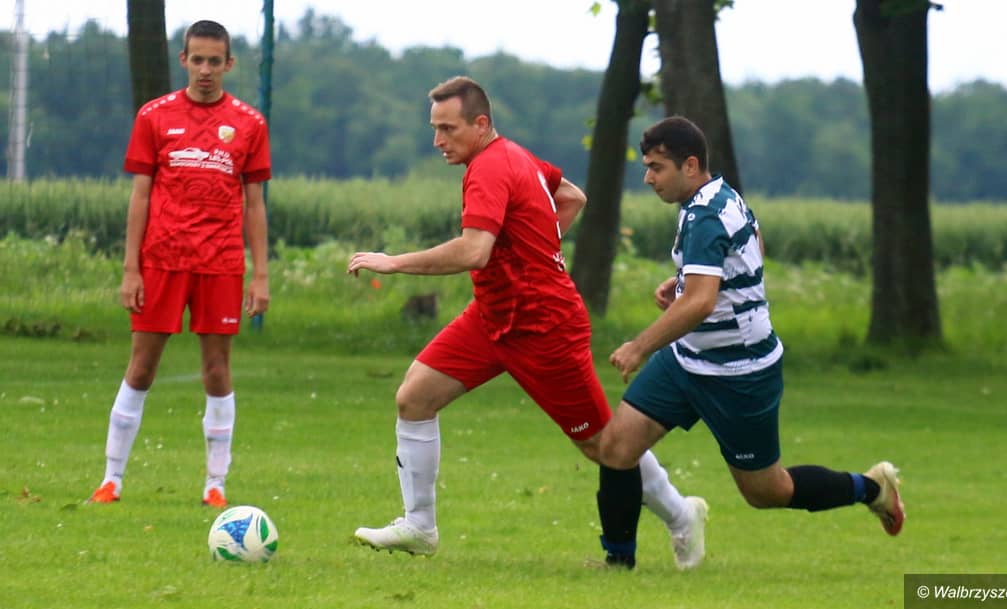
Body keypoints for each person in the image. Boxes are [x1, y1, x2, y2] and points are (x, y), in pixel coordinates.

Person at [347, 76, 708, 569]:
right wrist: (533, 248)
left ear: (480, 123)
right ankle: (419, 527)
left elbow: (474, 251)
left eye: (448, 129)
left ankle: (682, 515)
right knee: (414, 397)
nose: (437, 140)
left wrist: (393, 262)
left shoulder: (490, 167)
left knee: (604, 445)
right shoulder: (515, 155)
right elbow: (573, 196)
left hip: (544, 327)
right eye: (434, 128)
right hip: (492, 317)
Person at [594, 116, 905, 568]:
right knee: (617, 447)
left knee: (767, 491)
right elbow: (748, 248)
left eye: (656, 168)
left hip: (739, 373)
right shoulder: (718, 195)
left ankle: (873, 488)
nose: (648, 178)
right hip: (688, 359)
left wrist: (640, 346)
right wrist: (684, 279)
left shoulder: (705, 213)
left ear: (690, 165)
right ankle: (618, 564)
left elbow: (701, 303)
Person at [86, 20, 271, 509]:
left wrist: (261, 275)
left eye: (215, 61)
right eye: (198, 59)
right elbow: (140, 196)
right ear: (183, 60)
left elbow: (255, 204)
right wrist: (131, 268)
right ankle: (111, 479)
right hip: (162, 260)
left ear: (229, 64)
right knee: (142, 366)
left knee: (217, 370)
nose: (206, 69)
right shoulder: (154, 116)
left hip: (221, 263)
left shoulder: (250, 124)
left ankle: (215, 485)